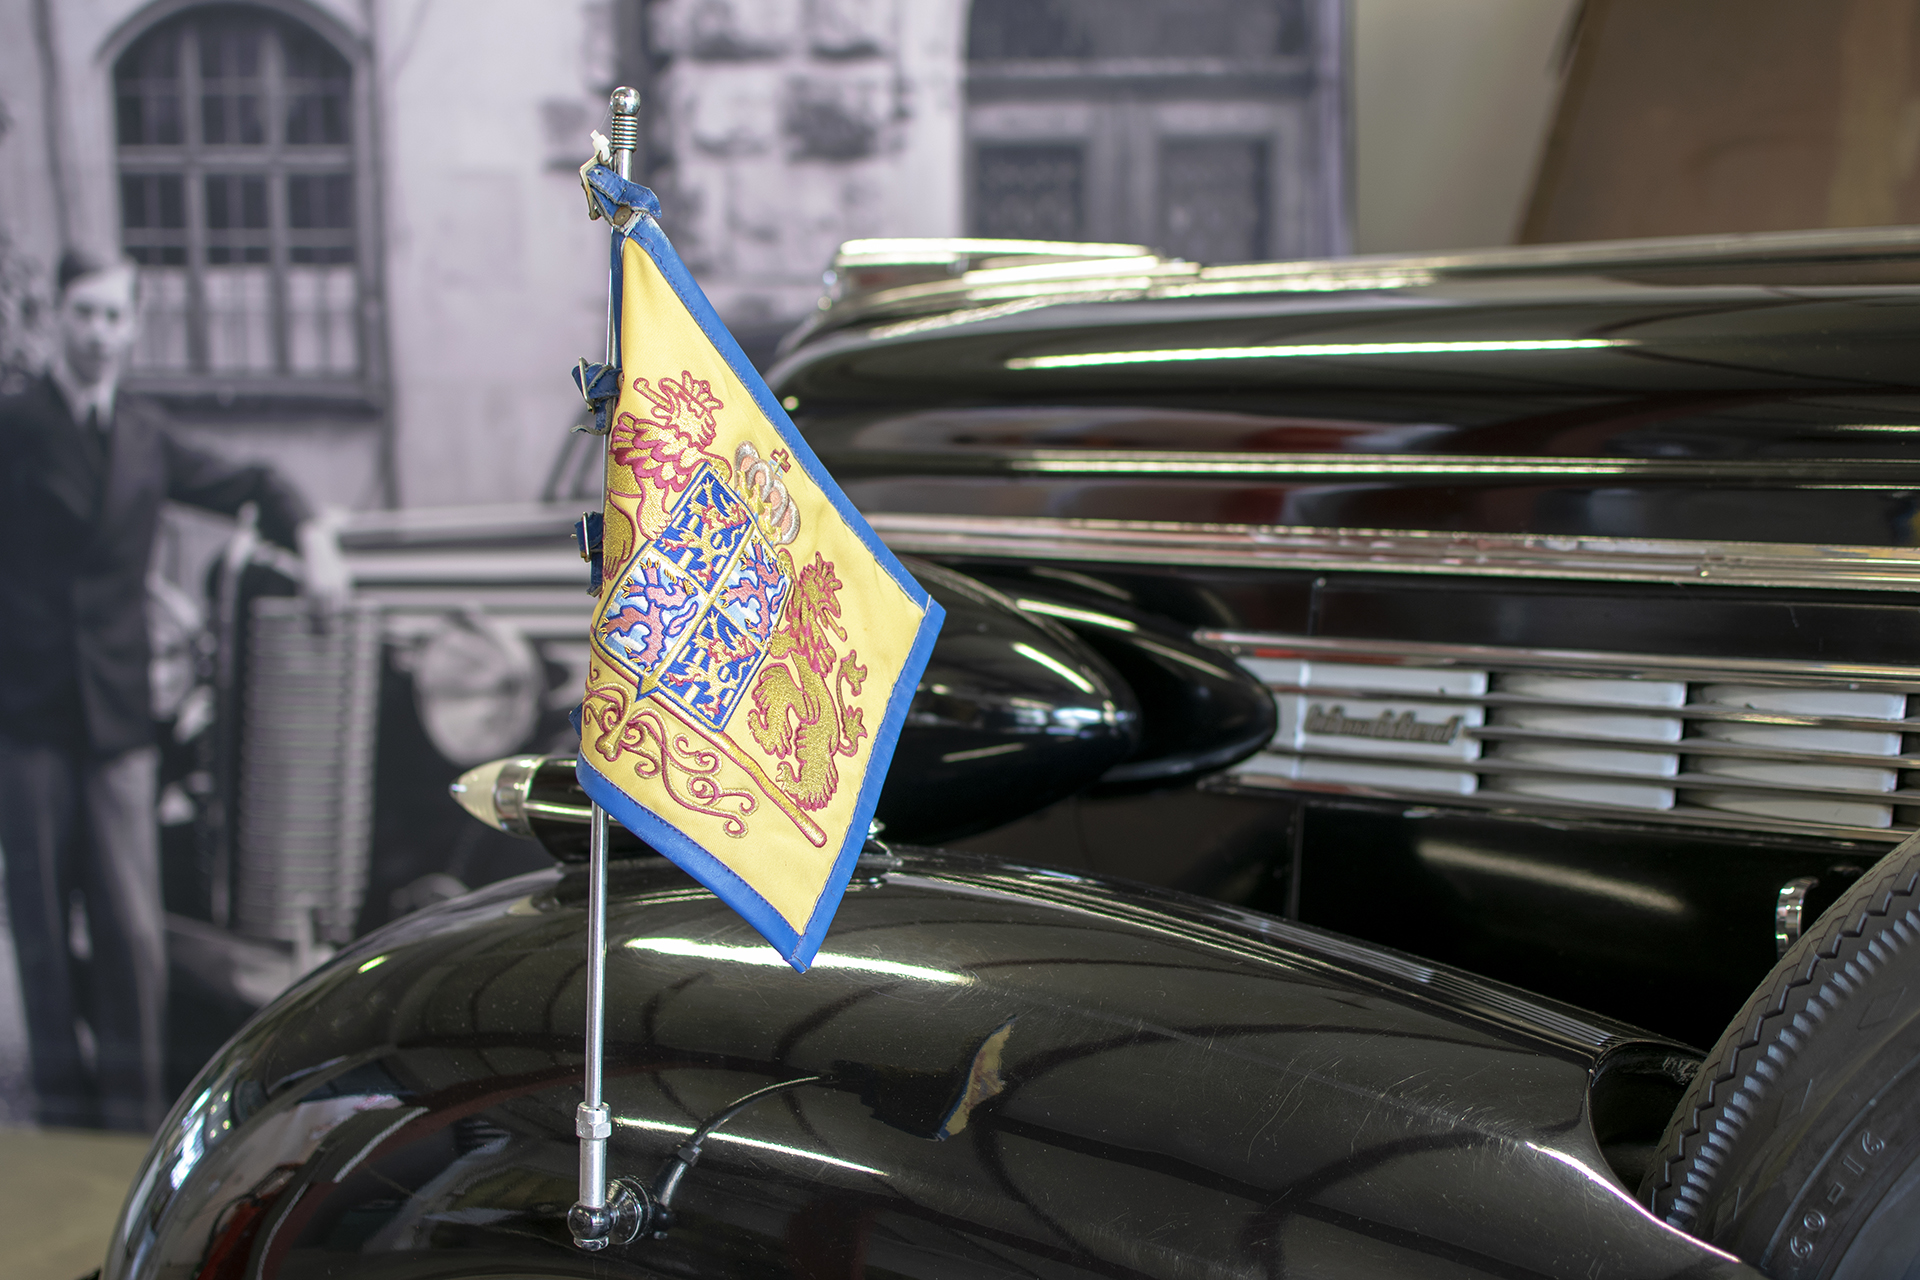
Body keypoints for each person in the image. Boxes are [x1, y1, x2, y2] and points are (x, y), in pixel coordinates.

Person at [0, 249, 347, 1130]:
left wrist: (313, 539)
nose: (101, 334)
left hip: (116, 717)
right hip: (28, 711)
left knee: (132, 930)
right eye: (85, 314)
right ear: (55, 320)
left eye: (116, 317)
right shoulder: (15, 425)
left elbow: (254, 482)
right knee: (41, 928)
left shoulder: (144, 437)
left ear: (132, 326)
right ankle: (59, 1111)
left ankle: (131, 1115)